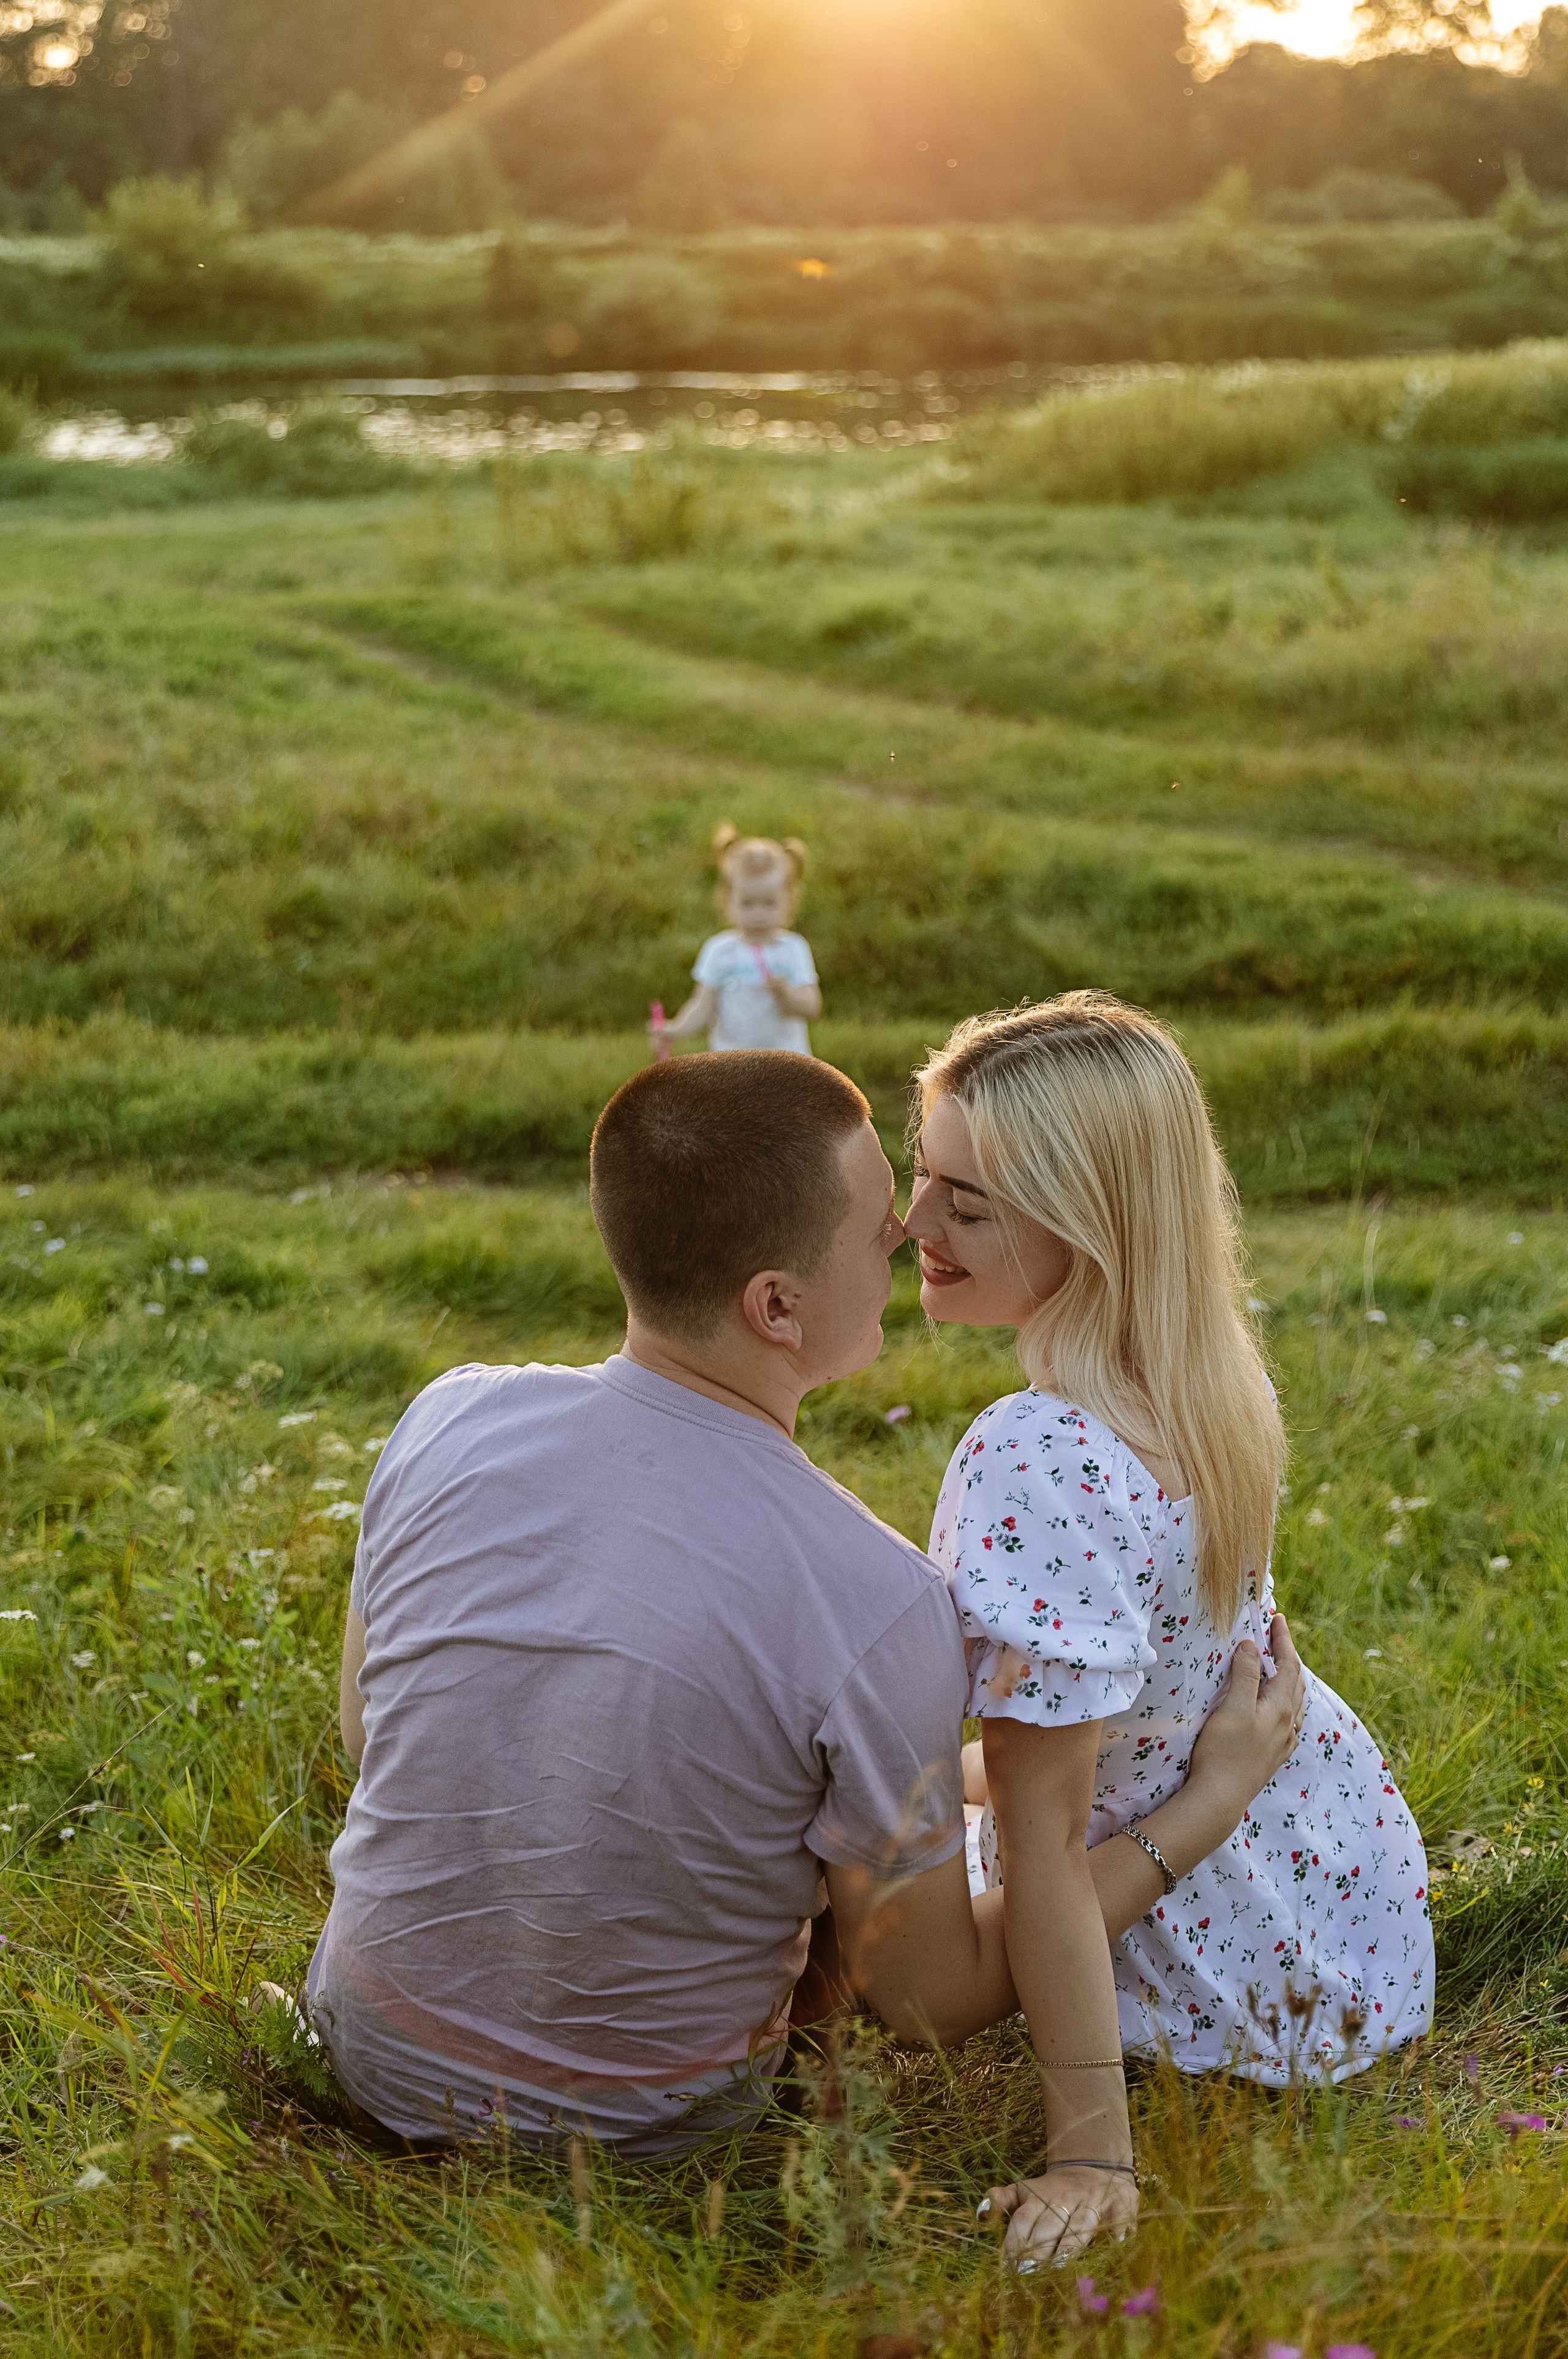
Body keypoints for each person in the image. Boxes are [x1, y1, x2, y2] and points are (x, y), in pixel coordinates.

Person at [309, 1049, 1303, 2162]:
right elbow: (930, 1999)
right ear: (777, 1306)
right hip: (640, 2126)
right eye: (879, 1224)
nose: (907, 1231)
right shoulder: (879, 1600)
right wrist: (1205, 1803)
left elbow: (367, 1733)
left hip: (362, 2046)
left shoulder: (446, 1417)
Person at [906, 994, 1434, 2271]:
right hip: (1325, 1888)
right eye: (918, 1175)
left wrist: (1090, 2151)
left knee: (867, 1934)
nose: (910, 1223)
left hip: (1194, 1944)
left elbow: (1044, 1838)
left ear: (1090, 1226)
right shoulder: (1203, 1372)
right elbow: (1124, 1718)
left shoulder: (1037, 1452)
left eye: (964, 1203)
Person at [651, 825, 821, 1055]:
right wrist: (675, 1030)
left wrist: (784, 993)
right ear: (728, 901)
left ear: (789, 901)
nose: (758, 914)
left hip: (787, 1063)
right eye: (747, 904)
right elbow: (702, 1006)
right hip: (731, 1064)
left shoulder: (792, 949)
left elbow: (812, 1007)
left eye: (770, 903)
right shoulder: (720, 950)